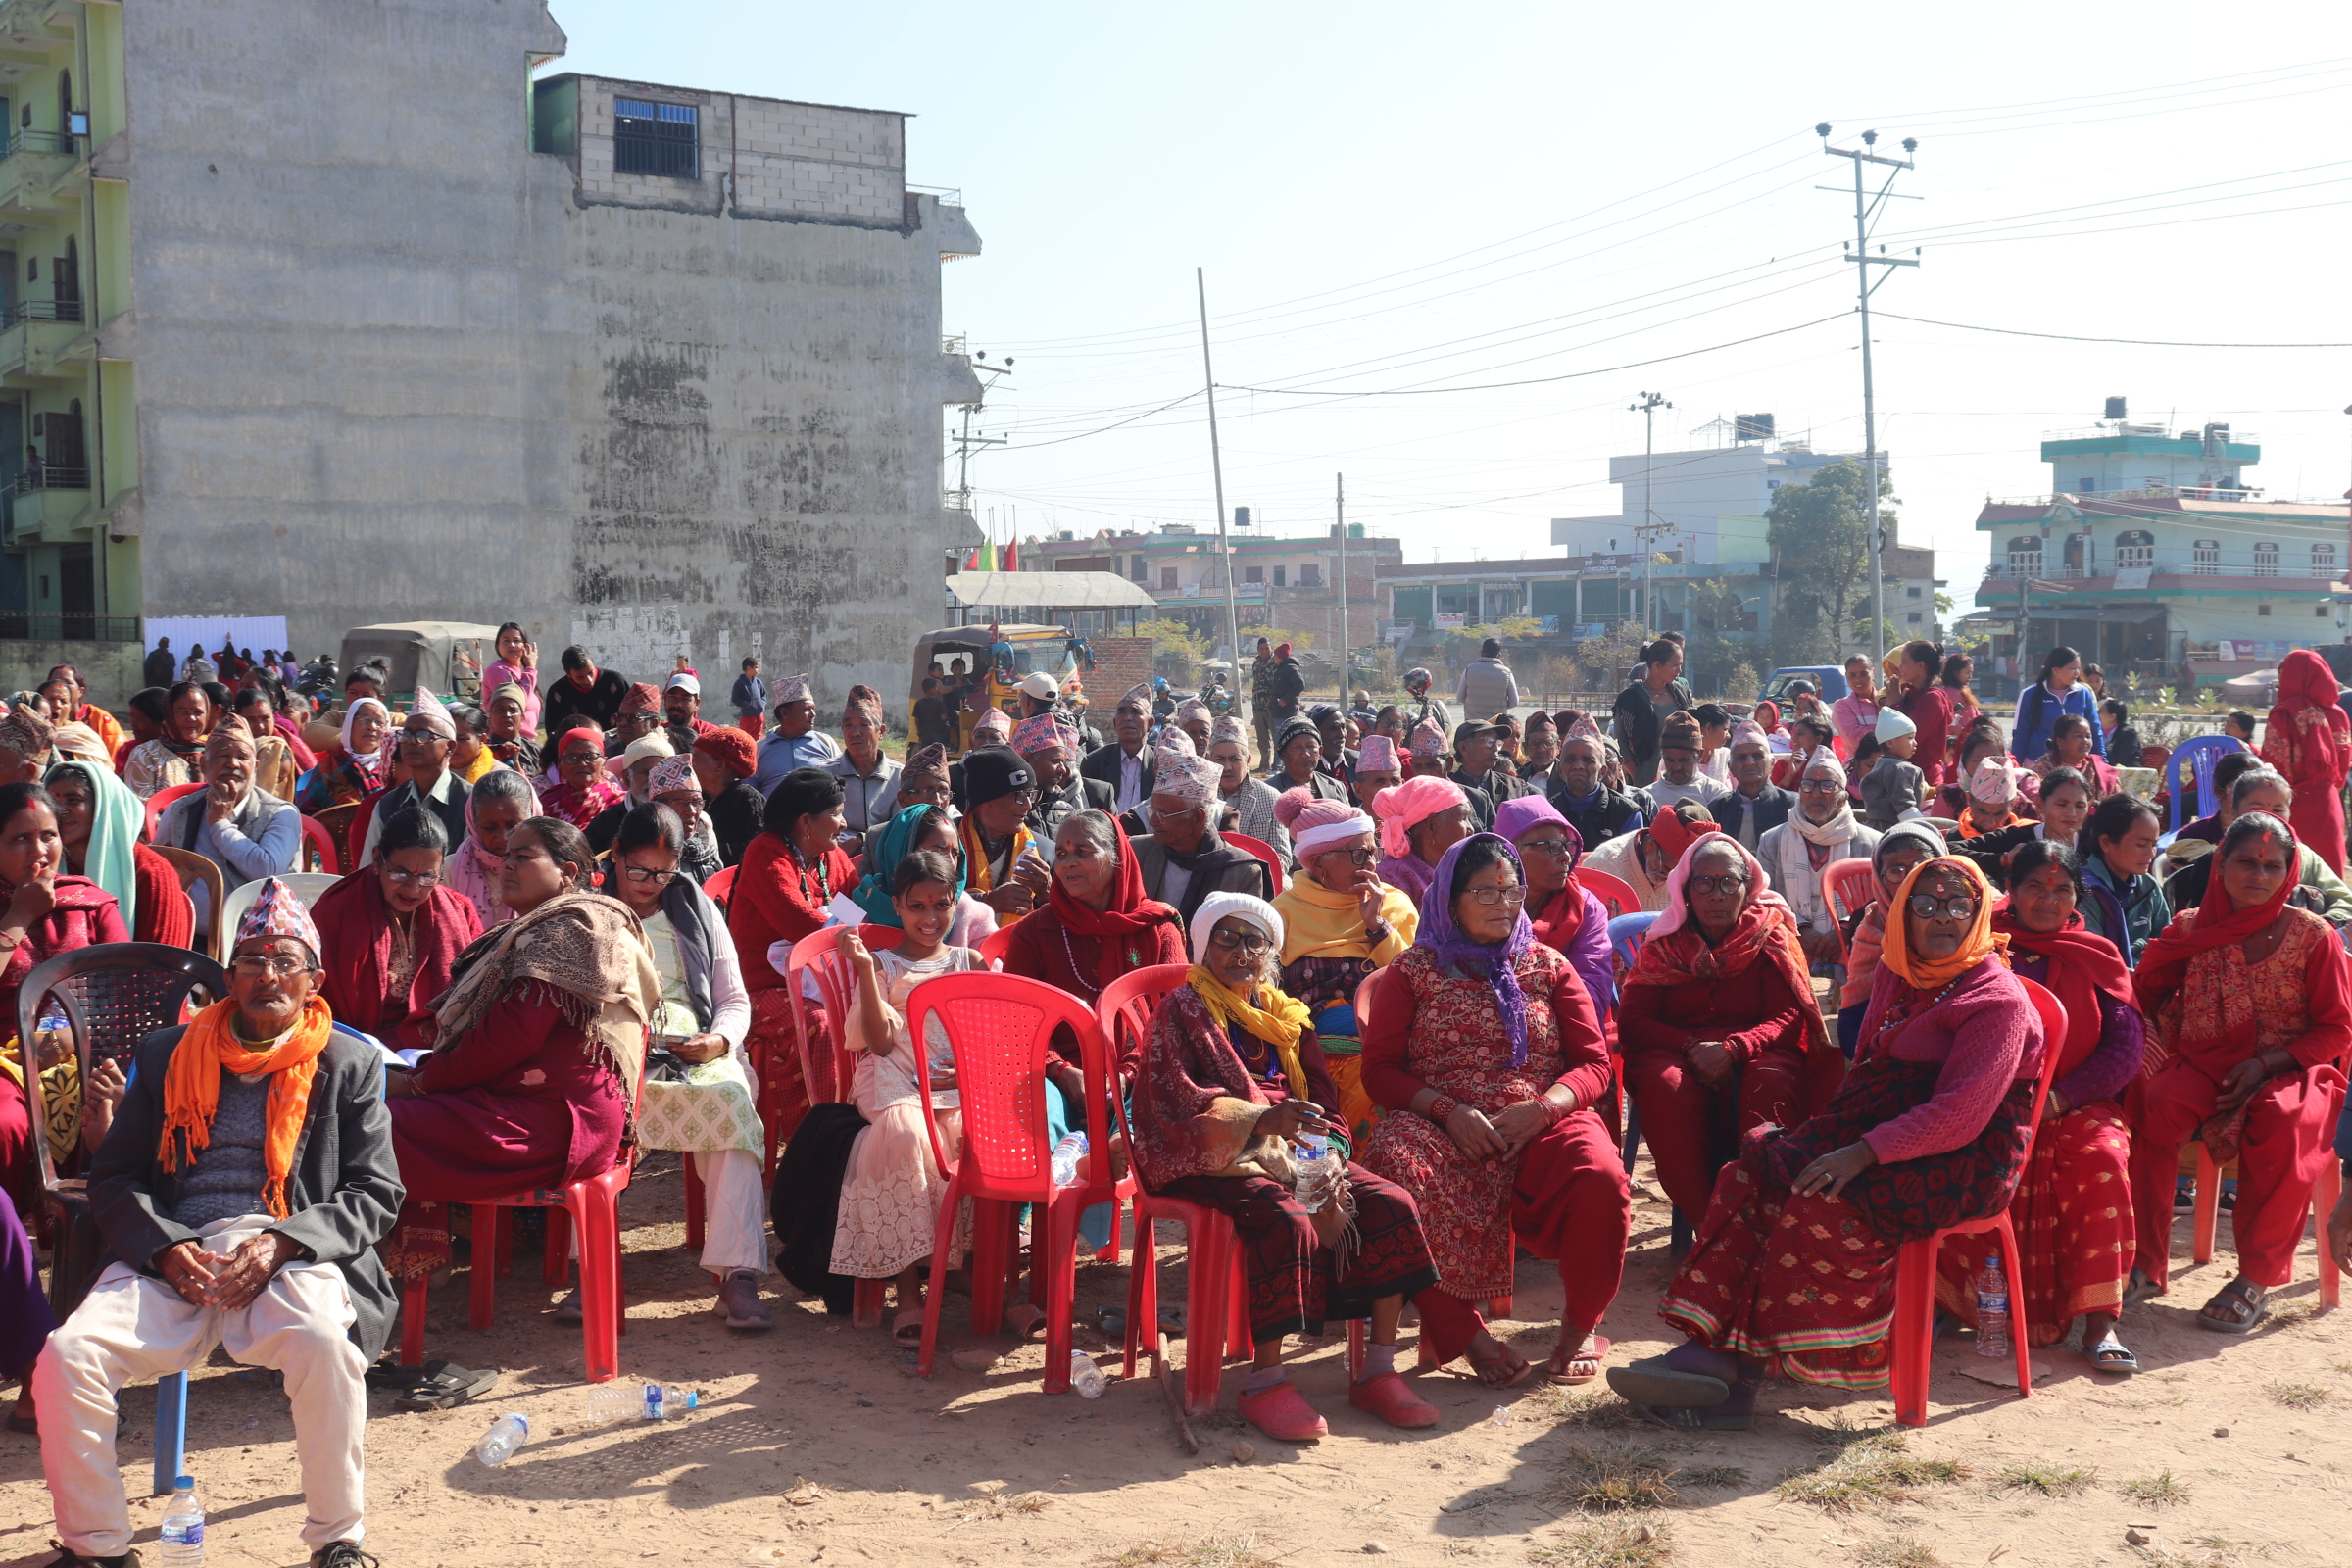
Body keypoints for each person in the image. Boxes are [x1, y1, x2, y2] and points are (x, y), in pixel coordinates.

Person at [32, 878, 399, 1568]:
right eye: (252, 960)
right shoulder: (169, 1053)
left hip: (286, 1254)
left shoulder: (348, 1063)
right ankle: (99, 1549)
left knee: (326, 1344)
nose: (268, 975)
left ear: (313, 979)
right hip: (177, 1253)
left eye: (285, 961)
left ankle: (338, 1541)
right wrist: (167, 1250)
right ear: (229, 977)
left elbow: (376, 1193)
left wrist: (283, 1241)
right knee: (66, 1356)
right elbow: (116, 1176)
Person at [1610, 855, 2042, 1423]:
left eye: (1960, 905)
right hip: (1881, 1135)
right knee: (1748, 1174)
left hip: (1962, 1159)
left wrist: (1859, 1154)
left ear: (1980, 914)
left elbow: (1959, 1113)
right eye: (1927, 904)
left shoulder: (1996, 1001)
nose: (1944, 918)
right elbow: (1869, 1069)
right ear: (1902, 915)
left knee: (1815, 1203)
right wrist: (1837, 1141)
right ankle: (1720, 1365)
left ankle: (1732, 1372)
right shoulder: (1901, 972)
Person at [1133, 893, 1445, 1437]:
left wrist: (1331, 1155)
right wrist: (1258, 1122)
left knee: (1391, 1204)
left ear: (1271, 953)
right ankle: (1266, 1380)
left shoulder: (1289, 1018)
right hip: (1215, 1154)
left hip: (1296, 1147)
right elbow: (1172, 1100)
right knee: (1288, 1219)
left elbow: (1325, 1107)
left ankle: (1376, 1370)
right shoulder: (1182, 1009)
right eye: (1225, 937)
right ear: (1204, 946)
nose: (1240, 951)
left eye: (1255, 940)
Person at [1358, 834, 1632, 1388]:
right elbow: (1381, 1071)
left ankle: (1581, 1328)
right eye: (1485, 892)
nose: (1503, 905)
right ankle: (1466, 1332)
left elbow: (1593, 1064)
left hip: (1540, 1116)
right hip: (1443, 1120)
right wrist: (1448, 1111)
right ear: (1450, 900)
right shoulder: (1413, 971)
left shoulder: (1548, 966)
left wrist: (1544, 1108)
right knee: (1394, 1165)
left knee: (1602, 1175)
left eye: (1511, 892)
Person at [379, 818, 659, 1312]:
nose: (507, 865)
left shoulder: (573, 930)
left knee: (376, 1127)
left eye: (524, 857)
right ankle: (386, 1280)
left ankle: (368, 1286)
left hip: (558, 1121)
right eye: (506, 855)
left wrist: (422, 1085)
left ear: (568, 871)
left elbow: (508, 1040)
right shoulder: (535, 931)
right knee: (369, 1113)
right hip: (521, 1101)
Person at [2129, 812, 2351, 1331]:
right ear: (2221, 864)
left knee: (2283, 1122)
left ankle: (2255, 1279)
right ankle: (2144, 1262)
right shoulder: (2190, 929)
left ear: (2290, 873)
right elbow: (2143, 995)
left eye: (2273, 865)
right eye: (2246, 862)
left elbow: (2337, 1030)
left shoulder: (2313, 936)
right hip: (2207, 1061)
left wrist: (2267, 1064)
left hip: (2294, 1066)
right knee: (2153, 1104)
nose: (2259, 875)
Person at [1934, 840, 2143, 1367]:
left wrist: (2061, 1097)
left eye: (2061, 889)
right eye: (2035, 887)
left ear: (2076, 896)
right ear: (2011, 890)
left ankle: (2101, 1325)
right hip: (1987, 1099)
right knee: (1953, 1154)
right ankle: (1946, 1302)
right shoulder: (1979, 945)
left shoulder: (2096, 953)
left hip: (2074, 1102)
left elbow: (2125, 1047)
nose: (2048, 900)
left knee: (2102, 1160)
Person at [604, 802, 772, 1330]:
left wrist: (720, 1041)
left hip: (690, 1041)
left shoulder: (694, 906)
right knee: (595, 1107)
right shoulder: (592, 910)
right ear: (615, 857)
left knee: (731, 1101)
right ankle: (593, 1272)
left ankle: (737, 1273)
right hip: (616, 1042)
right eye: (638, 870)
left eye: (663, 871)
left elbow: (734, 998)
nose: (650, 883)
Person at [1620, 834, 1846, 1222]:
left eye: (1728, 882)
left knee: (1771, 1082)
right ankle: (1707, 1223)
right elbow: (1635, 1022)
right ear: (1687, 890)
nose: (1716, 894)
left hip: (1759, 1049)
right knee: (1665, 1087)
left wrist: (1735, 1049)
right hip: (1677, 1050)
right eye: (1704, 882)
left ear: (1748, 887)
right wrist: (1692, 1045)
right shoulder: (1664, 944)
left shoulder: (1771, 936)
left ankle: (1758, 1217)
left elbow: (1788, 1016)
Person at [830, 849, 992, 1346]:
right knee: (906, 1136)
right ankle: (908, 1290)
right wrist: (862, 971)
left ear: (955, 905)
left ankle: (972, 1274)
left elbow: (986, 1038)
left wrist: (963, 1078)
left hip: (955, 1084)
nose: (930, 917)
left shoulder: (972, 962)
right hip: (894, 1080)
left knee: (977, 1136)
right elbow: (878, 1044)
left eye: (941, 905)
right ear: (897, 905)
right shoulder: (882, 964)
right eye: (917, 906)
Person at [0, 780, 131, 1191]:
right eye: (21, 838)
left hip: (94, 1049)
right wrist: (19, 914)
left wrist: (67, 1042)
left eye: (49, 836)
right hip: (6, 1063)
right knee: (6, 1124)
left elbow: (130, 988)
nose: (40, 852)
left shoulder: (90, 903)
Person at [1271, 795, 1416, 1144]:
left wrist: (1377, 926)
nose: (1370, 864)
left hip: (1385, 1045)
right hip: (1309, 1050)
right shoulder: (1282, 912)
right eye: (1358, 854)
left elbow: (1416, 981)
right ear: (1319, 862)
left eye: (1372, 851)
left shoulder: (1393, 903)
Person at [727, 769, 859, 1144]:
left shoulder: (829, 856)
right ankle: (819, 1141)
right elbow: (801, 925)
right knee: (822, 1023)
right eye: (835, 813)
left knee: (879, 1007)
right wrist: (844, 923)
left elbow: (858, 904)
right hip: (763, 987)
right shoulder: (766, 853)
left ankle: (860, 1127)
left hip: (821, 978)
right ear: (806, 822)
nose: (843, 822)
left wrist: (845, 922)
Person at [314, 807, 482, 1054]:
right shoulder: (334, 911)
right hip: (357, 1047)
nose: (413, 888)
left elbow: (478, 989)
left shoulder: (460, 910)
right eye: (401, 873)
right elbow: (315, 998)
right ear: (376, 861)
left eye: (427, 876)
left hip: (441, 1047)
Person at [2162, 767, 2352, 926]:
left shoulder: (2304, 856)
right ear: (2234, 811)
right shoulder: (2214, 861)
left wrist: (2326, 925)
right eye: (2256, 809)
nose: (2268, 817)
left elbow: (2344, 900)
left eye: (2278, 810)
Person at [44, 759, 194, 949]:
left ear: (104, 807)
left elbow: (163, 960)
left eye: (73, 800)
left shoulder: (152, 872)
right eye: (51, 802)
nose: (60, 811)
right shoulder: (45, 866)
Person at [157, 720, 302, 909]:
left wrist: (220, 825)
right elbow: (158, 863)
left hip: (255, 932)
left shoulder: (280, 813)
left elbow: (267, 872)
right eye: (223, 755)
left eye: (242, 757)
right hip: (192, 933)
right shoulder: (182, 809)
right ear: (203, 764)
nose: (233, 763)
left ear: (255, 767)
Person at [1757, 753, 1880, 965]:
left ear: (1844, 797)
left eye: (1826, 786)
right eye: (1808, 785)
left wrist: (1845, 930)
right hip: (1789, 937)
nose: (1815, 794)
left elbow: (1878, 904)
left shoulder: (1872, 844)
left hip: (1854, 942)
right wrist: (1801, 928)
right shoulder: (1772, 840)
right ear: (1799, 792)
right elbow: (1765, 899)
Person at [1834, 822, 1945, 1055]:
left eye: (1921, 866)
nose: (1909, 879)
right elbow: (1851, 1020)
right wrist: (1872, 1061)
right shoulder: (1872, 929)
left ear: (1943, 868)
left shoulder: (1965, 921)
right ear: (1880, 880)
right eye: (1896, 871)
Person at [1497, 796, 1612, 1017]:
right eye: (1550, 847)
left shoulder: (1584, 908)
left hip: (1564, 1028)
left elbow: (1592, 994)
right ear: (1511, 853)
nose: (1566, 857)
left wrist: (1533, 1022)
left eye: (1566, 845)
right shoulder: (1483, 902)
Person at [1131, 751, 1274, 920]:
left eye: (1163, 814)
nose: (1153, 822)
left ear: (1198, 817)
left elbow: (1241, 936)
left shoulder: (1242, 872)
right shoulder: (1138, 852)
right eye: (1152, 810)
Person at [845, 803, 999, 950]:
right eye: (938, 851)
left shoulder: (973, 916)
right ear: (901, 851)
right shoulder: (854, 910)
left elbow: (989, 973)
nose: (951, 864)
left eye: (955, 854)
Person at [2261, 648, 2351, 875]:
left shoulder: (2283, 713)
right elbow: (2343, 765)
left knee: (2292, 868)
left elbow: (2274, 766)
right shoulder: (2338, 714)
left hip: (2290, 803)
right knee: (2329, 868)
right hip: (2328, 801)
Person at [358, 686, 470, 866]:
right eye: (406, 734)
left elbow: (473, 873)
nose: (411, 741)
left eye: (423, 735)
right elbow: (369, 870)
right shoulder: (387, 805)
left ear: (450, 747)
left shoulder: (470, 802)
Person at [956, 745, 1050, 920]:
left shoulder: (1044, 853)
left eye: (1031, 794)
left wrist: (1047, 894)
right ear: (987, 800)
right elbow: (926, 903)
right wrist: (986, 901)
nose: (1028, 805)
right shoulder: (946, 843)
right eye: (1020, 795)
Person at [445, 764, 539, 932]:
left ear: (533, 816)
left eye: (513, 826)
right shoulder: (450, 870)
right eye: (489, 827)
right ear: (473, 824)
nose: (503, 837)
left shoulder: (548, 870)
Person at [1581, 797, 1714, 914]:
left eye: (1683, 874)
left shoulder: (1694, 872)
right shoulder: (1605, 865)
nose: (1673, 879)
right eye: (1667, 870)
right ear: (1651, 846)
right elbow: (1595, 933)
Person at [2078, 793, 2167, 965]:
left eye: (2154, 845)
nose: (2150, 854)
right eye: (2141, 844)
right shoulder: (2085, 890)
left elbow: (2165, 943)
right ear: (2106, 842)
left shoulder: (2149, 887)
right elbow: (2096, 960)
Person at [1371, 773, 1473, 906]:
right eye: (1462, 818)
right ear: (1431, 826)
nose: (1471, 829)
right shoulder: (1391, 878)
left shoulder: (1462, 868)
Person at [823, 686, 903, 853]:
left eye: (864, 724)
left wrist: (861, 839)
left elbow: (902, 825)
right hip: (837, 854)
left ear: (881, 731)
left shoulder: (900, 776)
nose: (855, 733)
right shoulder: (824, 774)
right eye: (848, 725)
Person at [1546, 720, 1643, 849]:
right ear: (1560, 769)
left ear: (1602, 772)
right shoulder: (1548, 813)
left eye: (1588, 760)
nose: (1578, 766)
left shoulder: (1627, 813)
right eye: (1570, 759)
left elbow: (1632, 864)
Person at [1210, 716, 1289, 864]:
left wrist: (1252, 876)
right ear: (1209, 760)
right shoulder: (1200, 798)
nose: (1227, 767)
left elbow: (1282, 855)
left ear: (1248, 761)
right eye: (1220, 759)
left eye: (1235, 759)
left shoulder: (1272, 797)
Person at [1611, 639, 1688, 787]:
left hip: (1682, 774)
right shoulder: (1631, 698)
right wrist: (1638, 776)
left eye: (1680, 666)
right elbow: (1621, 742)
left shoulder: (1681, 692)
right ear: (1657, 665)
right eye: (1674, 666)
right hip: (1647, 778)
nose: (1679, 671)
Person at [2011, 645, 2104, 766]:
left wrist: (2103, 764)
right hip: (2037, 766)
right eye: (2072, 668)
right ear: (2055, 670)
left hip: (2077, 767)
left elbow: (2096, 732)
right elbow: (2021, 734)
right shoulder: (2029, 694)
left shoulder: (2084, 693)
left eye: (2078, 668)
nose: (2077, 673)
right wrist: (2016, 768)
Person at [297, 695, 389, 813]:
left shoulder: (393, 766)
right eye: (365, 720)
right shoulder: (330, 766)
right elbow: (307, 811)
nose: (372, 727)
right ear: (349, 724)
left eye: (379, 723)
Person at [122, 679, 213, 799]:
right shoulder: (146, 754)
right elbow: (142, 806)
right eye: (182, 712)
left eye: (198, 712)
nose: (191, 718)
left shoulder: (216, 753)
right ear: (169, 714)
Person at [753, 674, 843, 793]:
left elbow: (842, 783)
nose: (813, 714)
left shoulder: (825, 742)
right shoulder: (759, 749)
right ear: (785, 713)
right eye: (807, 709)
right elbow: (750, 793)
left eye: (813, 708)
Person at [691, 726, 766, 866]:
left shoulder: (747, 799)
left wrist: (705, 848)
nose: (690, 765)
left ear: (719, 765)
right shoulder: (697, 797)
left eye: (696, 758)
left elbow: (757, 849)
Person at [1713, 723, 1791, 850]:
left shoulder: (1792, 806)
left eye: (1757, 755)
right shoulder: (1717, 808)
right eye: (1741, 757)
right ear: (1731, 768)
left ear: (1771, 763)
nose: (1749, 762)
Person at [1082, 682, 1156, 814]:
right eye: (1121, 712)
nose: (1127, 718)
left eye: (1135, 712)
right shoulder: (1094, 762)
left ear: (1150, 723)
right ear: (1115, 723)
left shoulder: (1160, 763)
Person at [539, 725, 626, 830]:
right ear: (560, 766)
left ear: (604, 763)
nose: (582, 764)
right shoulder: (547, 802)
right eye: (573, 757)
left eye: (589, 757)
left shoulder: (619, 802)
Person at [1647, 711, 1730, 817]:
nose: (1676, 767)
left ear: (1699, 755)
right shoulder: (1648, 797)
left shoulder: (1716, 794)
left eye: (1683, 760)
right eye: (1670, 760)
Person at [541, 644, 632, 736]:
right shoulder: (558, 693)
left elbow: (630, 715)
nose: (588, 680)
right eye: (580, 678)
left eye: (590, 673)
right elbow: (553, 730)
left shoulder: (614, 682)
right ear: (569, 675)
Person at [2025, 712, 2121, 801]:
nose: (2085, 741)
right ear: (2060, 741)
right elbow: (2038, 802)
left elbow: (2115, 802)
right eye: (2078, 736)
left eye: (2088, 736)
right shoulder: (2044, 767)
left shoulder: (2097, 766)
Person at [1859, 706, 1926, 830]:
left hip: (1873, 827)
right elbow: (1904, 804)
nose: (1915, 743)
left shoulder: (1881, 764)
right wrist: (1920, 828)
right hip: (1895, 828)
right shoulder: (1900, 768)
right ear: (1890, 743)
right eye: (1910, 738)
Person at [1448, 718, 1524, 826]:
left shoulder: (1515, 787)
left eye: (1498, 742)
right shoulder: (1449, 789)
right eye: (1488, 741)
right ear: (1464, 748)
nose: (1495, 748)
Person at [1267, 715, 1348, 806]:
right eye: (1296, 747)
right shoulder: (1268, 791)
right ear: (1283, 755)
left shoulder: (1335, 787)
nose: (1306, 754)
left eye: (1311, 746)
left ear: (1320, 752)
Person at [483, 621, 541, 736]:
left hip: (525, 741)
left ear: (525, 646)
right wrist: (531, 669)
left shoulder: (523, 673)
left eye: (517, 641)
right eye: (506, 641)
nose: (512, 645)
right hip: (507, 741)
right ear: (497, 647)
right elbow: (517, 700)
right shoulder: (497, 670)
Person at [1829, 654, 1882, 760]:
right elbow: (1855, 739)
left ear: (1873, 673)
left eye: (1863, 674)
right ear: (1846, 676)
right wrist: (1890, 736)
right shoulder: (1842, 706)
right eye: (1852, 675)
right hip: (1861, 770)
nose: (1858, 680)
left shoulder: (1886, 700)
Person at [1266, 641, 1306, 730]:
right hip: (1279, 712)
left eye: (1275, 656)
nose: (1274, 658)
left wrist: (1285, 699)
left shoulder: (1290, 668)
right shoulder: (1280, 669)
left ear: (1280, 657)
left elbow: (1300, 685)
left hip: (1286, 713)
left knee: (1282, 739)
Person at [2101, 698, 2144, 777]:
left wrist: (2098, 754)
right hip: (2103, 770)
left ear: (2112, 717)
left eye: (2101, 711)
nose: (2096, 714)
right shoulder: (2096, 732)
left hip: (2128, 775)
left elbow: (2120, 759)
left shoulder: (2128, 734)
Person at [730, 656, 767, 739]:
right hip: (748, 717)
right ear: (748, 668)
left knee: (757, 738)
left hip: (759, 715)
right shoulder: (740, 683)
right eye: (756, 668)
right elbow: (735, 698)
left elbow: (764, 695)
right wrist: (748, 705)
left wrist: (762, 704)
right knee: (745, 738)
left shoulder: (758, 682)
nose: (758, 670)